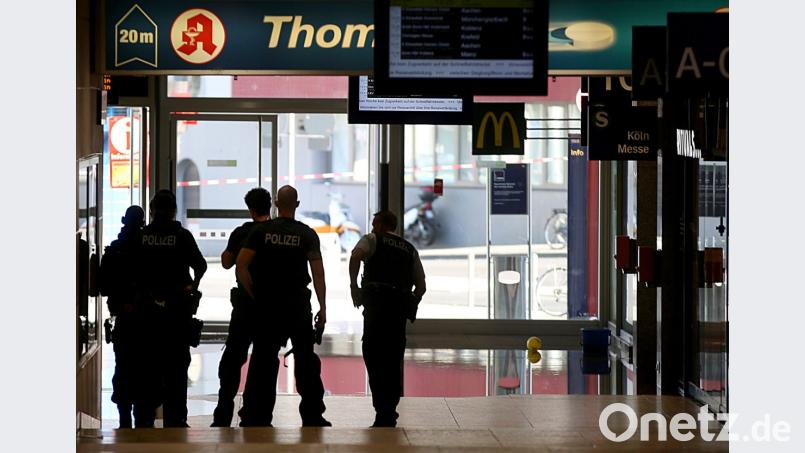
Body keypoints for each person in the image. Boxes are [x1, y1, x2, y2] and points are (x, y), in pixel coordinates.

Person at [235, 185, 331, 427]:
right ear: (297, 204)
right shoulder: (307, 234)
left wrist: (254, 294)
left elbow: (241, 265)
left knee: (263, 361)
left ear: (276, 203)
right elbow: (318, 274)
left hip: (268, 305)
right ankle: (312, 415)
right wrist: (323, 307)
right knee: (306, 361)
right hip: (298, 305)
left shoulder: (261, 232)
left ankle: (256, 415)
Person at [349, 210, 426, 428]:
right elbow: (421, 286)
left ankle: (381, 407)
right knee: (393, 358)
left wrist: (354, 287)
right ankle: (389, 409)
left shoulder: (372, 239)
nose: (372, 228)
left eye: (374, 224)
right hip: (398, 309)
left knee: (373, 353)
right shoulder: (410, 249)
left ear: (382, 226)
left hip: (376, 306)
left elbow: (356, 255)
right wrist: (411, 302)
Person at [138, 190, 207, 428]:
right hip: (177, 312)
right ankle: (176, 418)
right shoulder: (182, 236)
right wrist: (191, 287)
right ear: (174, 211)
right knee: (177, 368)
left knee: (148, 366)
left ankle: (146, 417)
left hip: (146, 314)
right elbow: (201, 265)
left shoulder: (142, 236)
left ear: (153, 209)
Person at [210, 188, 272, 427]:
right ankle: (255, 413)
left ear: (251, 209)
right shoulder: (276, 232)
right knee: (264, 361)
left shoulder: (242, 232)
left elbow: (226, 262)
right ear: (270, 206)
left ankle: (224, 412)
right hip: (270, 308)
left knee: (233, 360)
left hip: (246, 306)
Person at [99, 205, 145, 428]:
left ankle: (124, 413)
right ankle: (143, 414)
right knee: (145, 364)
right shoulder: (149, 247)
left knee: (123, 365)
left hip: (123, 319)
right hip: (147, 318)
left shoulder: (114, 250)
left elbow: (103, 286)